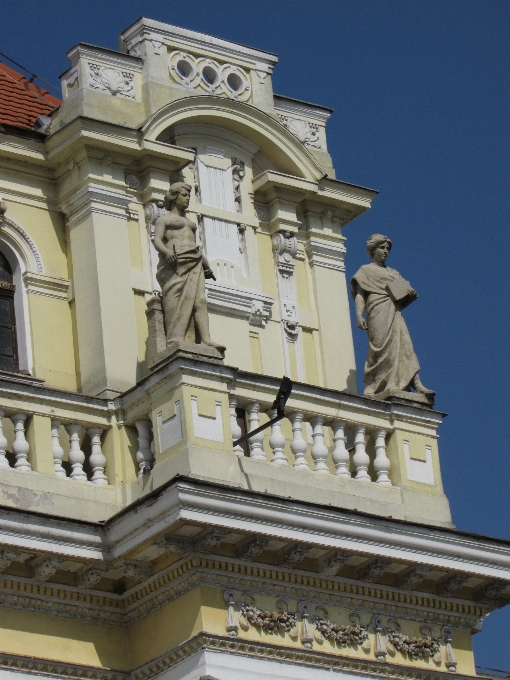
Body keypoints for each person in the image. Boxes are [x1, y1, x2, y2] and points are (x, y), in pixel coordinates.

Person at [351, 234, 434, 397]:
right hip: (376, 308)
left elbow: (403, 289)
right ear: (373, 250)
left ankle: (415, 382)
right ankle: (374, 384)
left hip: (394, 310)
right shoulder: (365, 271)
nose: (385, 251)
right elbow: (360, 294)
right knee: (380, 346)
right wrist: (359, 315)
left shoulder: (393, 272)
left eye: (387, 248)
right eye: (382, 248)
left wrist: (409, 293)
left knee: (404, 344)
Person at [153, 182, 225, 353]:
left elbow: (194, 244)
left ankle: (206, 339)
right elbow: (156, 240)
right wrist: (166, 252)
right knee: (175, 297)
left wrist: (204, 261)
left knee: (200, 299)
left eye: (188, 196)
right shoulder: (164, 219)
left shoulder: (190, 223)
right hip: (175, 261)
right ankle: (174, 336)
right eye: (184, 195)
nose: (187, 199)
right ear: (174, 196)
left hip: (194, 259)